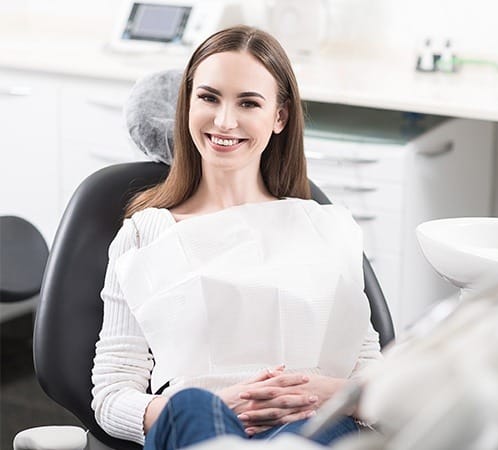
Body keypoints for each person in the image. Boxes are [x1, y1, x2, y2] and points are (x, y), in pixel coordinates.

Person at [91, 25, 382, 450]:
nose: (224, 121)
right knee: (190, 407)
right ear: (187, 103)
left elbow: (375, 381)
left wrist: (317, 393)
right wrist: (217, 406)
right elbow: (111, 395)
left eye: (248, 103)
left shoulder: (328, 229)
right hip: (193, 428)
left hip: (310, 424)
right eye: (208, 97)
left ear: (279, 117)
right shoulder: (144, 234)